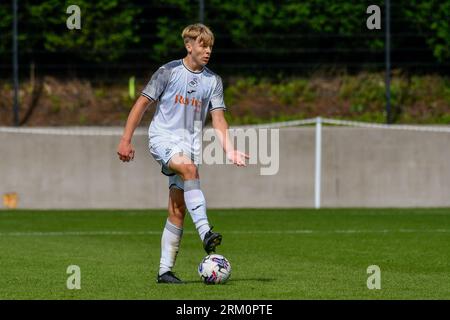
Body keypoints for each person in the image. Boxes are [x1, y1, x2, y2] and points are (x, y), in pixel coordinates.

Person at [116, 23, 249, 284]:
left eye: (210, 46)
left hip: (189, 146)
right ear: (189, 46)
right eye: (203, 45)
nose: (208, 50)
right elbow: (142, 103)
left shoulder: (213, 81)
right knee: (189, 169)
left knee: (177, 209)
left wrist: (230, 150)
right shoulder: (168, 71)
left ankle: (164, 271)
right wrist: (125, 140)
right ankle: (206, 232)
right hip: (162, 138)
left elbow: (219, 120)